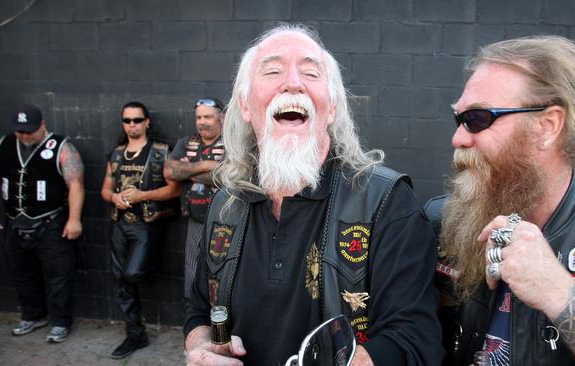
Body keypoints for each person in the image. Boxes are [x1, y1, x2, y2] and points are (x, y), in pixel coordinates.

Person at [183, 24, 442, 366]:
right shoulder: (226, 204)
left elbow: (415, 341)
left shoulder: (385, 203)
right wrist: (200, 348)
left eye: (311, 72)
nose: (293, 82)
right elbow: (201, 310)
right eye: (273, 70)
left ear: (331, 108)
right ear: (246, 106)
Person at [425, 35, 575, 365]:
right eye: (459, 119)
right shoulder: (440, 220)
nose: (458, 138)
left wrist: (558, 290)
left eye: (477, 119)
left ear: (547, 126)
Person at [0, 104, 84, 343]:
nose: (25, 135)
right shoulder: (2, 146)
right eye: (20, 131)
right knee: (21, 273)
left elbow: (75, 183)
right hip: (14, 222)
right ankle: (33, 315)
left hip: (50, 222)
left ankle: (60, 322)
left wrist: (74, 219)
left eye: (30, 131)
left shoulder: (60, 146)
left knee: (59, 275)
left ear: (42, 124)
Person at [100, 101, 180, 359]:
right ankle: (135, 333)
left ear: (147, 121)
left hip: (146, 224)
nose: (132, 125)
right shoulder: (116, 153)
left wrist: (141, 195)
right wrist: (114, 198)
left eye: (137, 120)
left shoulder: (160, 152)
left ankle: (150, 268)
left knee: (132, 273)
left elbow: (175, 190)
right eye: (127, 120)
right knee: (121, 281)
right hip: (119, 223)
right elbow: (105, 188)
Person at [164, 97, 225, 298]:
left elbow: (228, 177)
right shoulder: (186, 142)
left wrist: (187, 169)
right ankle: (196, 320)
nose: (202, 121)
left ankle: (221, 322)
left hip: (225, 221)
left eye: (208, 116)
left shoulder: (231, 143)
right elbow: (170, 171)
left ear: (222, 118)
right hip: (195, 218)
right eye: (199, 117)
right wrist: (207, 166)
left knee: (222, 269)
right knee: (192, 269)